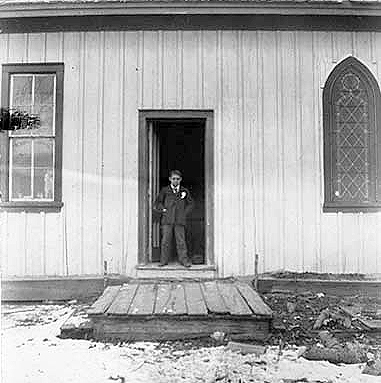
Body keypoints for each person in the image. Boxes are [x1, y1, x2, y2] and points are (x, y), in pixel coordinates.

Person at [154, 170, 194, 267]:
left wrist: (184, 213)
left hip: (180, 220)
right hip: (167, 220)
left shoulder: (184, 191)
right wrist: (163, 209)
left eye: (177, 179)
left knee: (181, 241)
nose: (175, 181)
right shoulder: (165, 190)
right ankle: (163, 261)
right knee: (165, 241)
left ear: (180, 180)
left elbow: (191, 203)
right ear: (170, 179)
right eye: (173, 179)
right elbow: (158, 202)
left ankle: (184, 260)